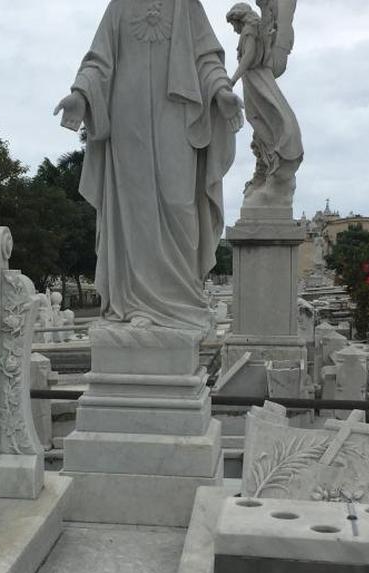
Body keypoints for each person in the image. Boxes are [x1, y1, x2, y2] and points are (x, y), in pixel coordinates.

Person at [54, 0, 243, 331]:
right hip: (128, 117)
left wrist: (221, 91)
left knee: (179, 202)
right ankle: (136, 305)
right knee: (135, 210)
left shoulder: (187, 6)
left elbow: (207, 59)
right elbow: (98, 62)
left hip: (179, 115)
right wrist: (80, 94)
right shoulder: (119, 7)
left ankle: (180, 302)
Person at [226, 2, 303, 207]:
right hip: (254, 82)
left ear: (239, 19)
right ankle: (268, 170)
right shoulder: (255, 28)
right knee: (261, 124)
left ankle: (276, 173)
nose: (234, 30)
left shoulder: (250, 31)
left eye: (234, 25)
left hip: (258, 81)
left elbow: (249, 57)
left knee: (268, 122)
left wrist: (232, 80)